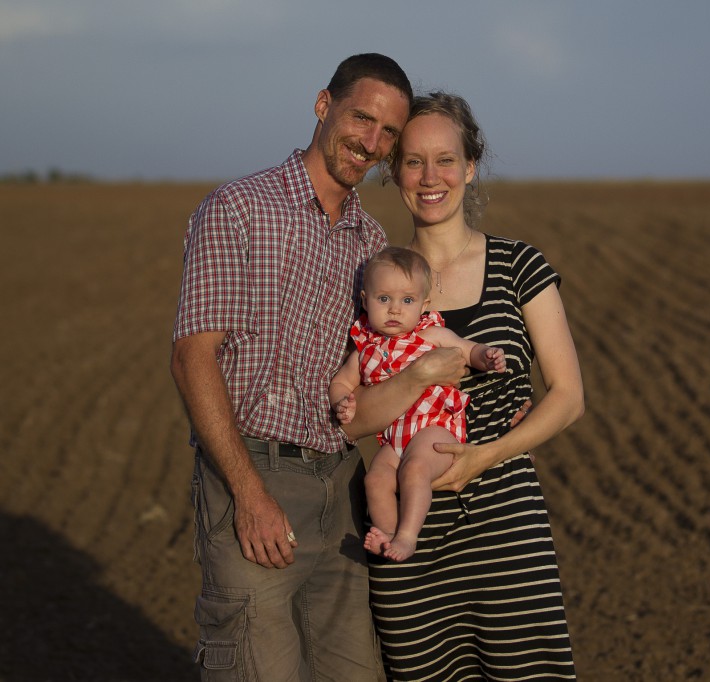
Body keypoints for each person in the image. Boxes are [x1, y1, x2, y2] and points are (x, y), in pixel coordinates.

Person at [170, 54, 468, 682]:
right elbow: (192, 357)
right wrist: (248, 494)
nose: (372, 142)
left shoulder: (369, 242)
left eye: (389, 133)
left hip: (342, 489)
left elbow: (398, 359)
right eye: (362, 118)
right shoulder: (239, 209)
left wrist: (495, 399)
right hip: (255, 476)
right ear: (322, 105)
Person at [349, 91, 585, 680]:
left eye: (446, 160)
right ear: (394, 172)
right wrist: (418, 376)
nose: (431, 178)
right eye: (412, 161)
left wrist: (483, 457)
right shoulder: (376, 280)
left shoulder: (518, 266)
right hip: (409, 542)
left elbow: (568, 396)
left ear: (470, 165)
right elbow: (350, 418)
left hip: (507, 529)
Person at [329, 246, 506, 562]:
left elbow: (466, 350)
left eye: (406, 301)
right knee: (376, 479)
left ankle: (408, 536)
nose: (395, 309)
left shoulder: (431, 335)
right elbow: (342, 381)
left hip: (435, 428)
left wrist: (486, 356)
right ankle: (387, 533)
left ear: (424, 305)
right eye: (384, 299)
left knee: (415, 470)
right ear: (365, 299)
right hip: (397, 435)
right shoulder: (364, 350)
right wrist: (342, 400)